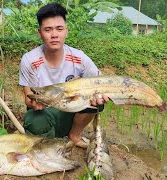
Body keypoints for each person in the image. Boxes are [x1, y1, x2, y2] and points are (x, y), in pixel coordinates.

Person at [19, 3, 109, 148]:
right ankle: (49, 143)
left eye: (59, 29)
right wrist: (35, 102)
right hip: (44, 114)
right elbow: (28, 98)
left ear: (66, 31)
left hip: (70, 112)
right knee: (34, 119)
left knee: (94, 100)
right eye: (48, 29)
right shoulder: (30, 60)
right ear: (39, 32)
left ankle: (74, 135)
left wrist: (99, 95)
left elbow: (100, 82)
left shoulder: (79, 58)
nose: (54, 35)